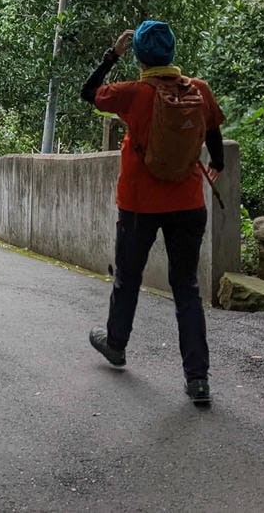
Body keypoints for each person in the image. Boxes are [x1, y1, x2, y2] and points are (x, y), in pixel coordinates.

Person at [79, 20, 225, 406]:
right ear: (172, 52)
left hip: (139, 205)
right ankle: (197, 379)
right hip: (189, 203)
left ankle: (116, 343)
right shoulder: (199, 91)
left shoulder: (133, 93)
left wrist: (113, 55)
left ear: (141, 56)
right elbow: (213, 132)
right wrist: (219, 164)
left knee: (128, 278)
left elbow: (88, 92)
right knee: (186, 289)